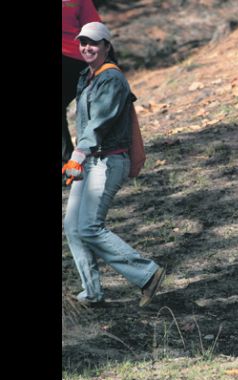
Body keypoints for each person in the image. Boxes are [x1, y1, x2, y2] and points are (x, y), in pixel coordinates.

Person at [63, 22, 166, 307]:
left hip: (107, 161)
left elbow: (100, 121)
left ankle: (147, 274)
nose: (87, 47)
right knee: (72, 226)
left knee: (89, 227)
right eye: (83, 42)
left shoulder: (112, 79)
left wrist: (77, 155)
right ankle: (92, 292)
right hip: (88, 160)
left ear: (107, 46)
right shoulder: (87, 75)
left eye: (94, 42)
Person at [63, 0, 102, 165]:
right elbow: (95, 28)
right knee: (87, 107)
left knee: (86, 107)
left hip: (75, 58)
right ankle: (84, 158)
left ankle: (69, 163)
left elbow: (94, 27)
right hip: (79, 58)